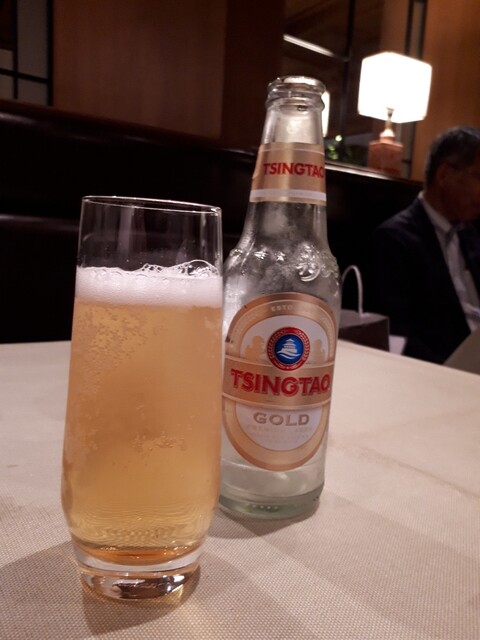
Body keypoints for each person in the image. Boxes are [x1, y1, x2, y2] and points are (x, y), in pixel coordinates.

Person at [368, 126, 480, 364]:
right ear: (444, 175)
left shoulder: (471, 236)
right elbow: (398, 336)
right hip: (440, 372)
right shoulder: (394, 240)